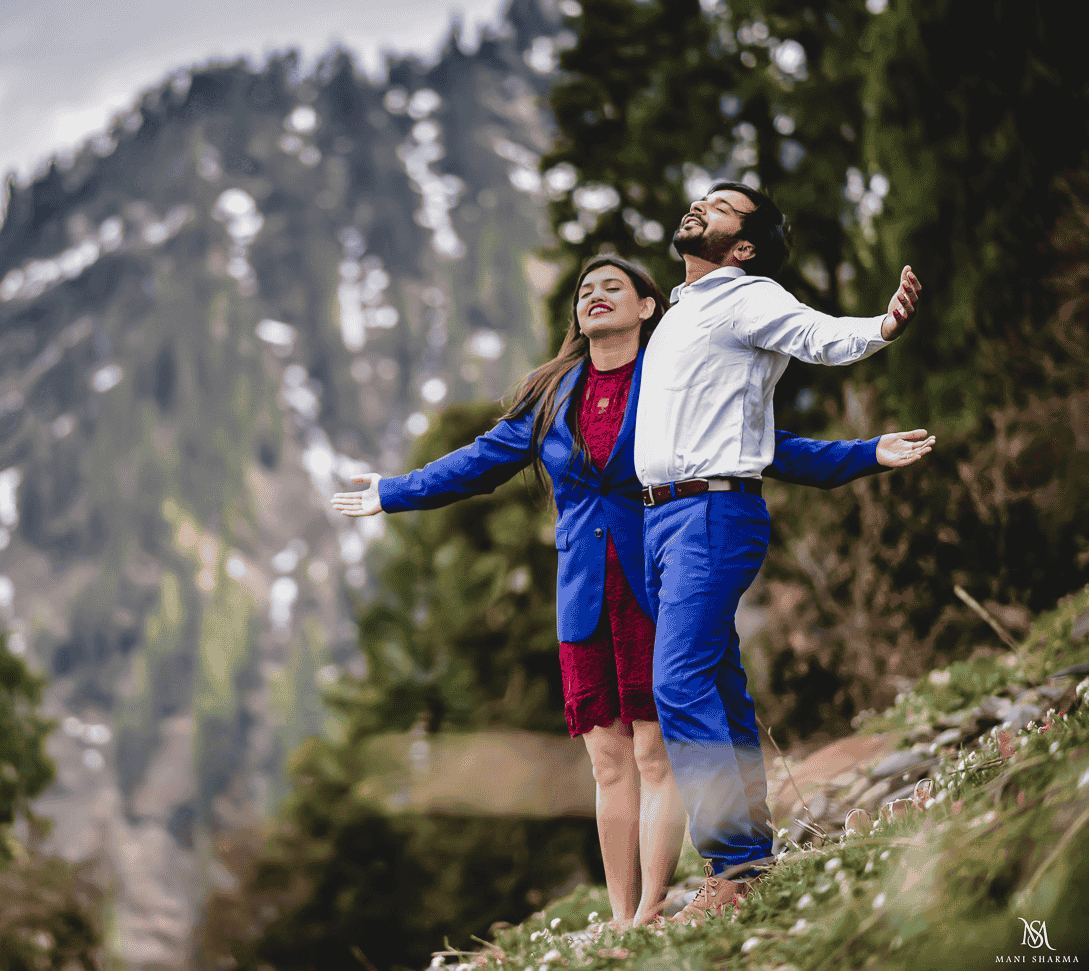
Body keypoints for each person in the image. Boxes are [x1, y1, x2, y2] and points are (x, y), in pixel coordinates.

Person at [331, 253, 932, 927]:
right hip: (582, 593)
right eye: (586, 289)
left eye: (613, 286)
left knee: (655, 749)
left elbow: (759, 442)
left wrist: (862, 453)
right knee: (608, 760)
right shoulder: (552, 394)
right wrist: (392, 491)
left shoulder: (670, 377)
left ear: (649, 306)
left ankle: (653, 904)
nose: (596, 295)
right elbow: (479, 462)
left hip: (658, 576)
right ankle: (622, 915)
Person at [634, 182, 922, 924]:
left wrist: (882, 327)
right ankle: (751, 855)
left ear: (745, 245)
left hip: (710, 513)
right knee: (717, 684)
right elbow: (760, 441)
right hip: (662, 522)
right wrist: (860, 453)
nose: (700, 204)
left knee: (678, 682)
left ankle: (731, 868)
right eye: (699, 196)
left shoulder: (749, 294)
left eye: (722, 206)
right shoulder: (678, 313)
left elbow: (821, 335)